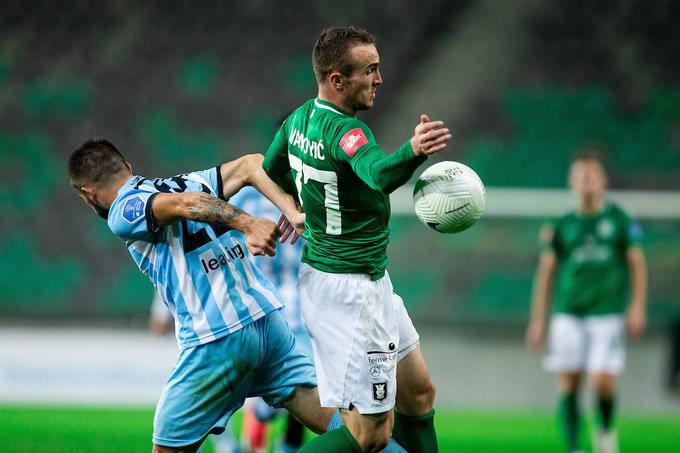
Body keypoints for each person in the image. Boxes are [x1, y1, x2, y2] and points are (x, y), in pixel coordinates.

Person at [66, 138, 341, 453]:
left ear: (88, 194)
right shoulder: (189, 181)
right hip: (267, 321)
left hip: (217, 337)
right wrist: (290, 210)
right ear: (128, 167)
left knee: (168, 448)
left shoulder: (123, 210)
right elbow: (252, 162)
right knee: (345, 428)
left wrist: (249, 223)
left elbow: (187, 205)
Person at [263, 26, 450, 453]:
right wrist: (414, 151)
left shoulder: (298, 120)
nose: (379, 79)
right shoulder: (347, 132)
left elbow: (270, 171)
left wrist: (293, 204)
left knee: (419, 392)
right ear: (337, 80)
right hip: (351, 293)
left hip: (363, 281)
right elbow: (379, 175)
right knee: (370, 436)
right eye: (370, 70)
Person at [525, 151, 648, 453]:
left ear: (603, 180)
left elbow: (637, 263)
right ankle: (573, 447)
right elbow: (546, 273)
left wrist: (637, 307)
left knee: (602, 381)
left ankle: (605, 432)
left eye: (592, 176)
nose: (586, 182)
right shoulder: (560, 223)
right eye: (580, 176)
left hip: (606, 313)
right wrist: (538, 320)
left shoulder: (619, 219)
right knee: (569, 383)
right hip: (567, 313)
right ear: (571, 182)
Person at [230, 186, 310, 453]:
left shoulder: (307, 195)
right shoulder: (243, 199)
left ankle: (286, 446)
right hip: (257, 311)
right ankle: (242, 436)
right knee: (267, 402)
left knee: (309, 387)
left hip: (301, 313)